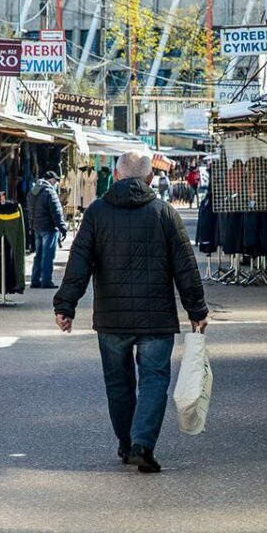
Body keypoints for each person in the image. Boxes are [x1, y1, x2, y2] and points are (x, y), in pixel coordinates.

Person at [53, 152, 209, 474]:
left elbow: (79, 262)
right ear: (150, 179)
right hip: (157, 319)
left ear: (117, 176)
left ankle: (126, 443)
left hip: (112, 319)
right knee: (153, 380)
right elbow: (185, 266)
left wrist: (65, 305)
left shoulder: (96, 213)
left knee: (118, 384)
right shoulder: (164, 213)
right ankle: (142, 444)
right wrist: (196, 309)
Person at [27, 170, 68, 289]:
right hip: (49, 228)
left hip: (37, 227)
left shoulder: (33, 191)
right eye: (56, 180)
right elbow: (56, 212)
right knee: (48, 256)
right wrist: (62, 228)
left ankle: (35, 280)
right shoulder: (50, 192)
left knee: (38, 255)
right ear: (50, 180)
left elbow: (30, 210)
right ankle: (46, 281)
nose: (56, 183)